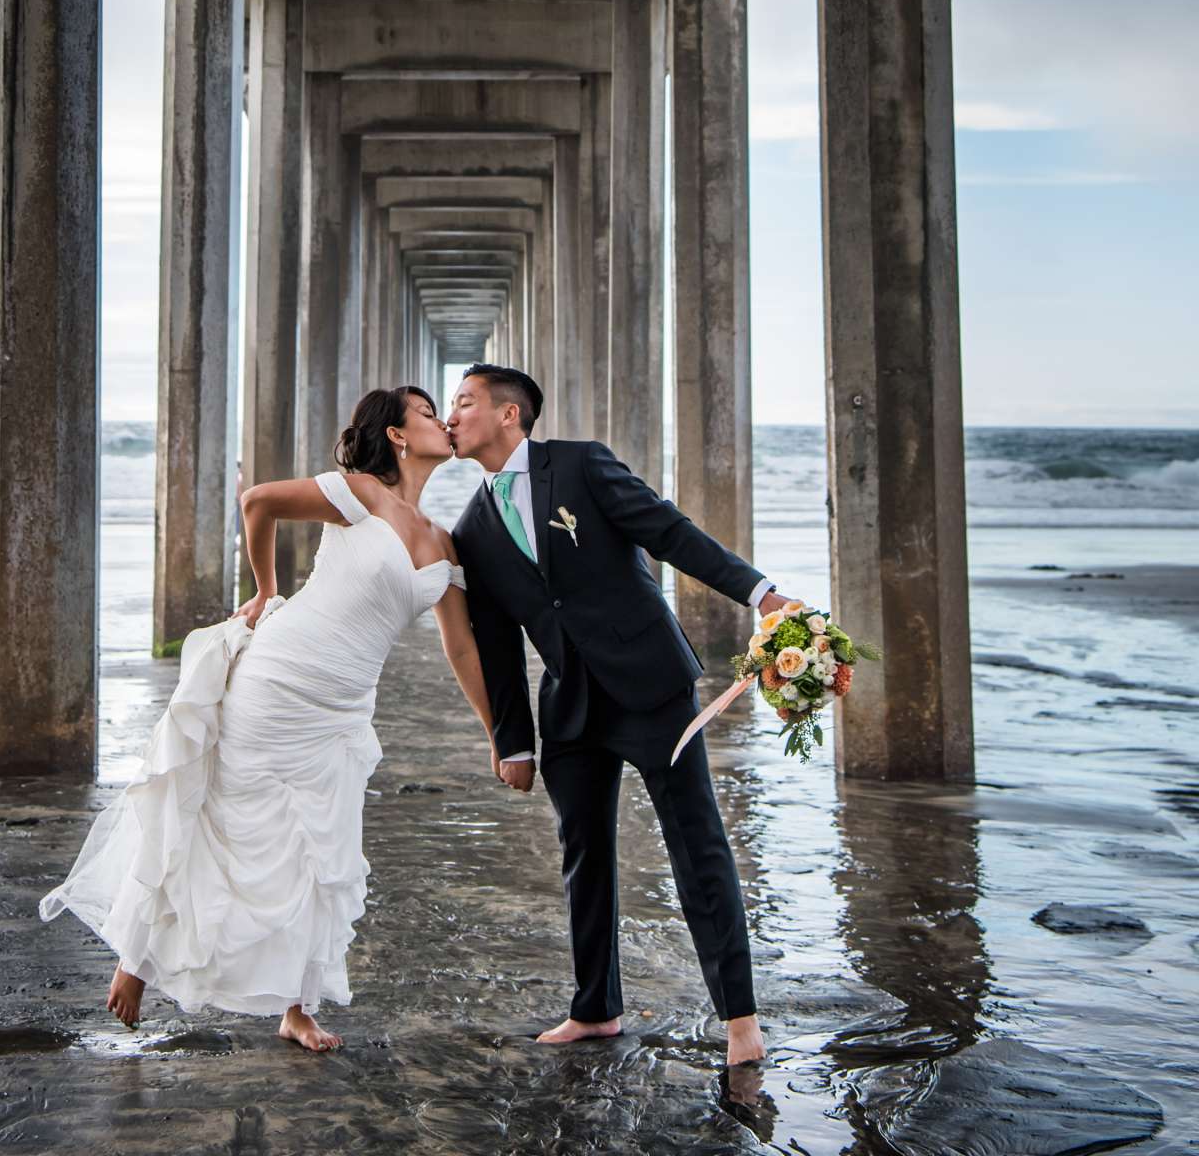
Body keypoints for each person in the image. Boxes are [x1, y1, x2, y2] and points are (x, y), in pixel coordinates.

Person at [40, 385, 495, 1053]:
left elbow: (462, 647)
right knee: (213, 811)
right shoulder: (361, 492)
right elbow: (259, 502)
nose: (444, 421)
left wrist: (497, 734)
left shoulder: (445, 544)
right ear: (397, 434)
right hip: (278, 681)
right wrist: (266, 588)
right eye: (429, 413)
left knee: (321, 852)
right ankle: (136, 954)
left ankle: (296, 1008)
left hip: (340, 714)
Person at [447, 361, 795, 1065]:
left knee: (696, 847)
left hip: (651, 686)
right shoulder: (471, 527)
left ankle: (740, 1021)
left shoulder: (579, 466)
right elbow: (498, 646)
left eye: (463, 402)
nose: (452, 417)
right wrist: (512, 741)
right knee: (585, 860)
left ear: (508, 414)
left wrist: (759, 593)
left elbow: (669, 532)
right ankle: (596, 1009)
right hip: (569, 705)